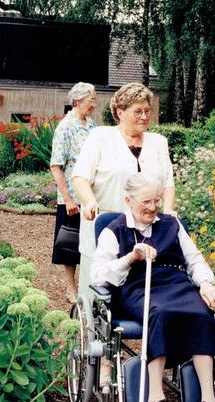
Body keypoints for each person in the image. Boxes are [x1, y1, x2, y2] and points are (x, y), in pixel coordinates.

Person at [90, 174, 215, 402]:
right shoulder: (114, 230)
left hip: (177, 284)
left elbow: (195, 260)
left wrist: (205, 284)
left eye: (157, 200)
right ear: (129, 200)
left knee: (202, 313)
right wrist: (131, 257)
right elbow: (98, 275)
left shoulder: (171, 224)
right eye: (146, 201)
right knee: (159, 313)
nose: (153, 207)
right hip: (138, 287)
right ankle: (155, 399)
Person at [72, 82, 175, 300]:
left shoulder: (159, 143)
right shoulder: (100, 137)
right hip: (105, 224)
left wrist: (167, 214)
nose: (144, 116)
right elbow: (80, 176)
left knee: (143, 289)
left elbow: (168, 183)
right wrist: (89, 201)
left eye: (147, 111)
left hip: (146, 230)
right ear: (120, 112)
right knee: (98, 288)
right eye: (137, 111)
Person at [50, 82, 97, 304]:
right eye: (91, 100)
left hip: (91, 197)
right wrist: (68, 199)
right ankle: (70, 288)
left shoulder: (92, 126)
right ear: (78, 101)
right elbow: (56, 166)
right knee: (70, 243)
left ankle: (90, 284)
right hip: (73, 198)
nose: (94, 104)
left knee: (91, 242)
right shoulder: (65, 127)